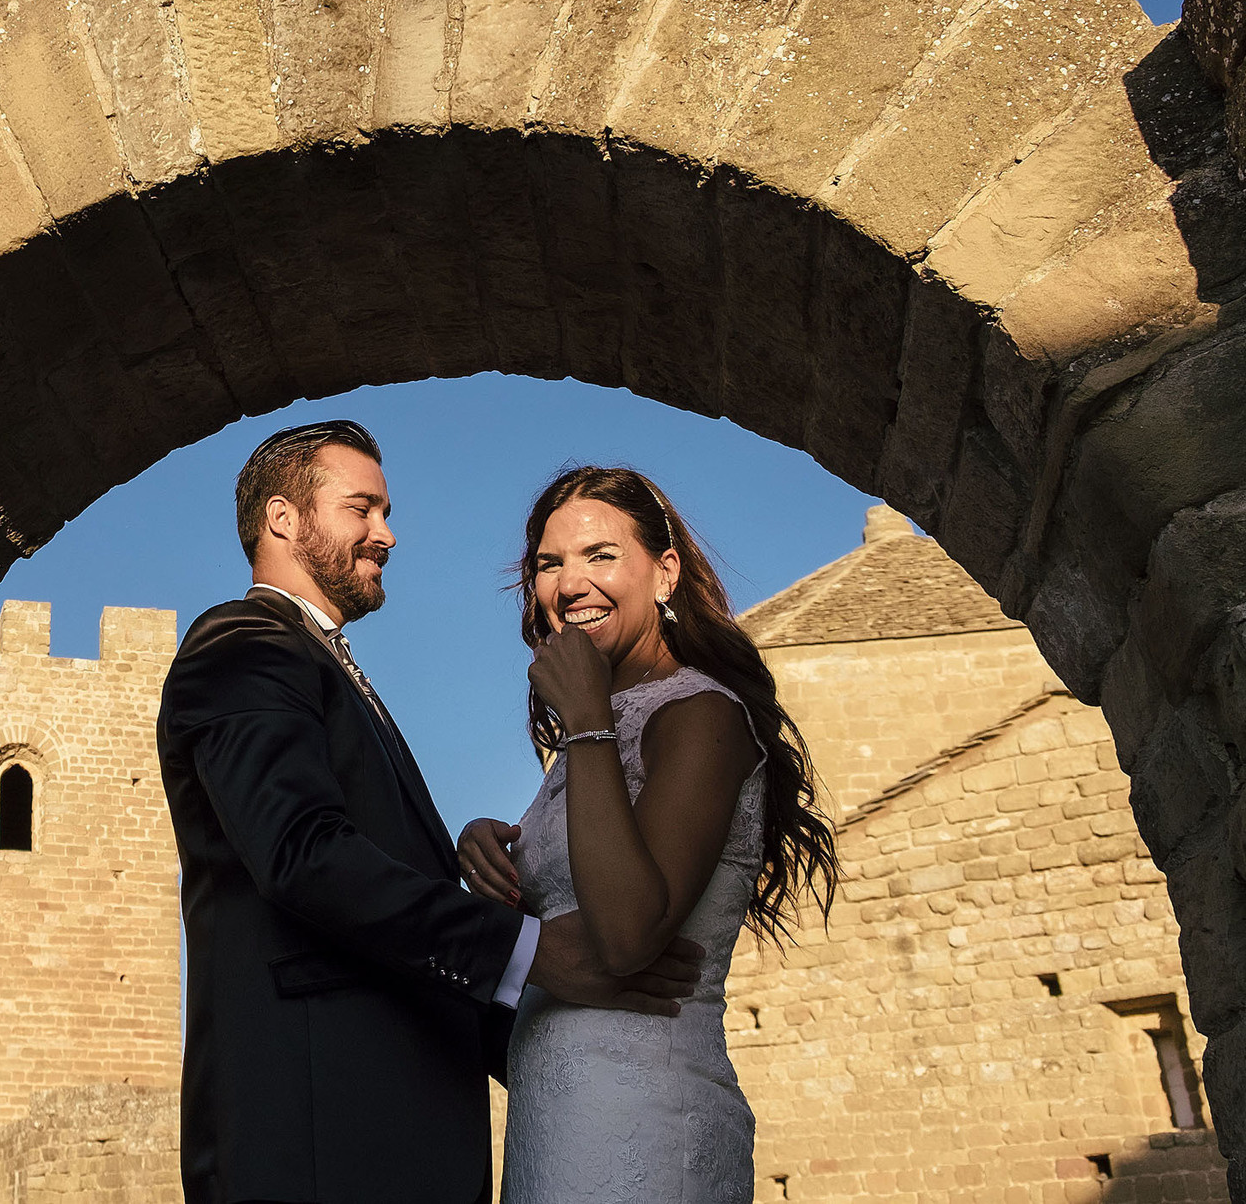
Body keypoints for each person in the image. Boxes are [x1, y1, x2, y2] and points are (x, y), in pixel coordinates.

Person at [158, 422, 705, 1204]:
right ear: (283, 518)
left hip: (392, 1140)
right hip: (321, 1145)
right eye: (363, 509)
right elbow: (302, 854)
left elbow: (377, 890)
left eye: (386, 512)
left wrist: (567, 1050)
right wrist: (531, 952)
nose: (387, 533)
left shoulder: (324, 665)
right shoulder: (242, 643)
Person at [454, 466, 839, 1204]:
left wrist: (589, 718)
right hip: (549, 1120)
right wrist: (494, 856)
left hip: (648, 1122)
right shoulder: (588, 733)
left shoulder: (701, 715)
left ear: (665, 573)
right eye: (549, 563)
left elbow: (628, 935)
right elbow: (563, 929)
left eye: (601, 555)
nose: (570, 584)